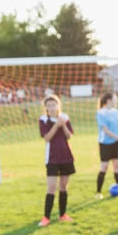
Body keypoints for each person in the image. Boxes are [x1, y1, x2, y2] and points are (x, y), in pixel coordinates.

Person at [38, 95, 75, 227]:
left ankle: (62, 215)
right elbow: (47, 138)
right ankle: (46, 217)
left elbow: (69, 136)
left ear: (58, 105)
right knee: (51, 188)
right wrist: (56, 125)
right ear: (46, 108)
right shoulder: (44, 119)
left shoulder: (64, 117)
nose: (52, 107)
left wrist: (62, 124)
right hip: (52, 159)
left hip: (66, 157)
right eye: (49, 106)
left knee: (63, 187)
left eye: (54, 104)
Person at [95, 92, 118, 198]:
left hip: (115, 143)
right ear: (109, 100)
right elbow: (106, 130)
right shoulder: (101, 113)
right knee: (104, 167)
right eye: (115, 99)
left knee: (117, 167)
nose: (117, 101)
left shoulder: (117, 112)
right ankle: (98, 192)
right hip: (105, 144)